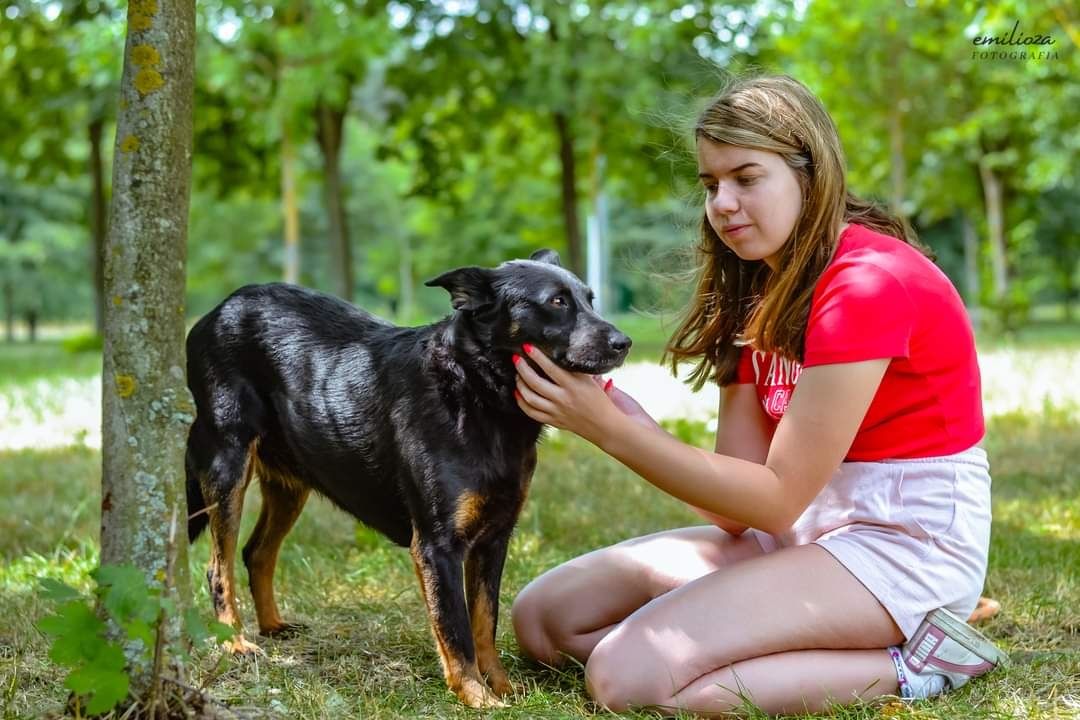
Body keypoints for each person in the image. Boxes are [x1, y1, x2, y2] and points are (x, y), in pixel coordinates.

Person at [508, 74, 1006, 717]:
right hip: (806, 532)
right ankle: (784, 646)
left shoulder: (868, 286)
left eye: (746, 178)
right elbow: (736, 507)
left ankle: (918, 662)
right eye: (711, 184)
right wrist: (630, 422)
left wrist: (610, 431)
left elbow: (772, 501)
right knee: (546, 620)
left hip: (902, 545)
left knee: (623, 677)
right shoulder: (760, 291)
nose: (723, 203)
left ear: (810, 173)